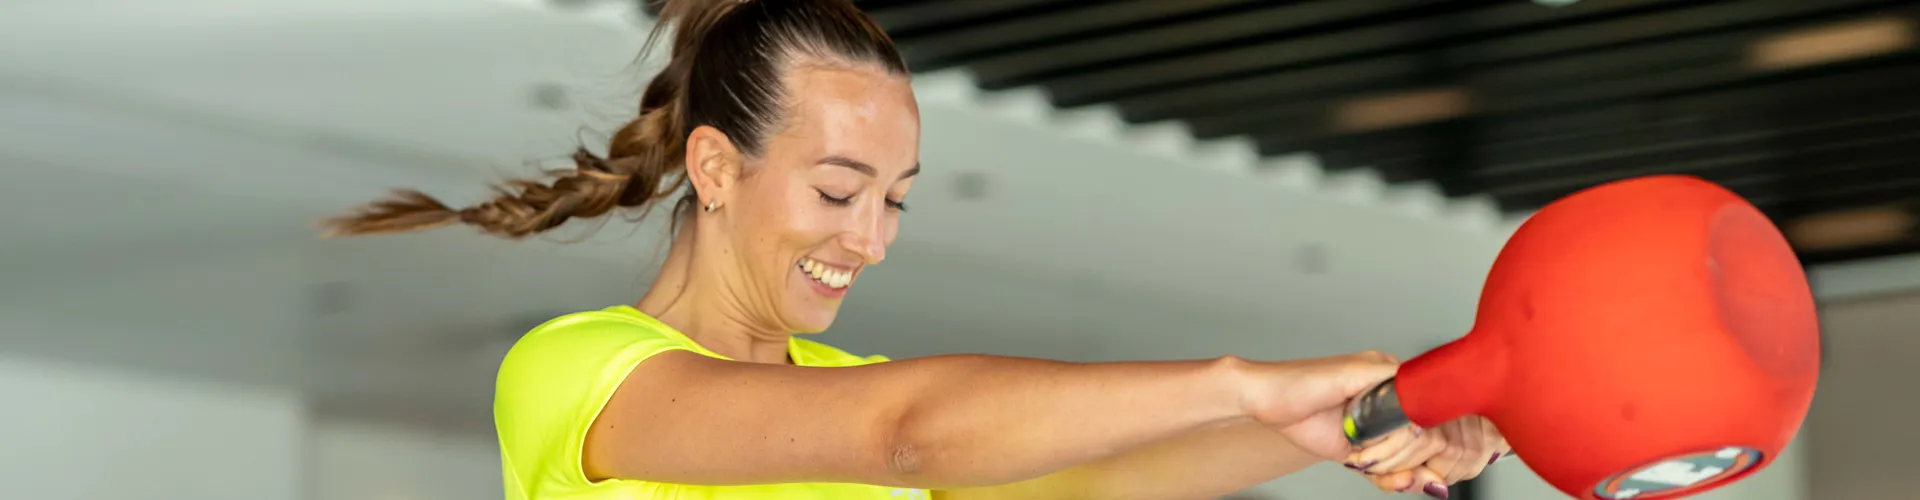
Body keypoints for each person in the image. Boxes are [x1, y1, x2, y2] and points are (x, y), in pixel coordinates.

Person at [322, 1, 1508, 499]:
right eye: (840, 189)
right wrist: (1242, 379)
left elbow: (1090, 479)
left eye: (896, 199)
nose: (870, 240)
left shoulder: (841, 393)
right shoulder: (578, 371)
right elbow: (909, 427)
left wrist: (1323, 427)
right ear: (717, 167)